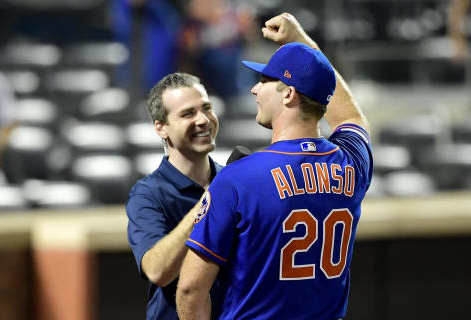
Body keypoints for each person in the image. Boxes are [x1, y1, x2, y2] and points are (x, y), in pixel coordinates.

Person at [176, 12, 373, 320]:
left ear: (289, 94)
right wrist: (303, 45)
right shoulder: (351, 164)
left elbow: (190, 290)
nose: (255, 89)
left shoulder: (239, 178)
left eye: (265, 80)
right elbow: (350, 118)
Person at [125, 72, 224, 319]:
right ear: (161, 128)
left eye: (207, 108)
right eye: (187, 113)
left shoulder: (234, 181)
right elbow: (157, 271)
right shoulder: (147, 195)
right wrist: (209, 202)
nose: (203, 120)